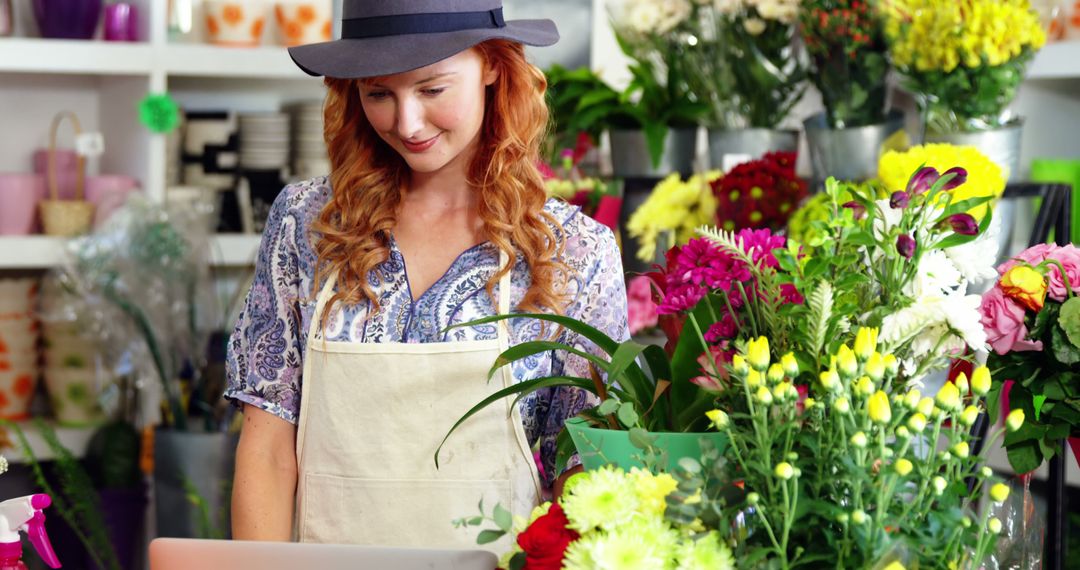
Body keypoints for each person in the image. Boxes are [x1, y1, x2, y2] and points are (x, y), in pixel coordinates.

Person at [224, 0, 629, 546]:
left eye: (432, 89)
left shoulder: (574, 251)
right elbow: (269, 450)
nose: (407, 122)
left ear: (491, 64)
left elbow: (587, 472)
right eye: (378, 94)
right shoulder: (307, 226)